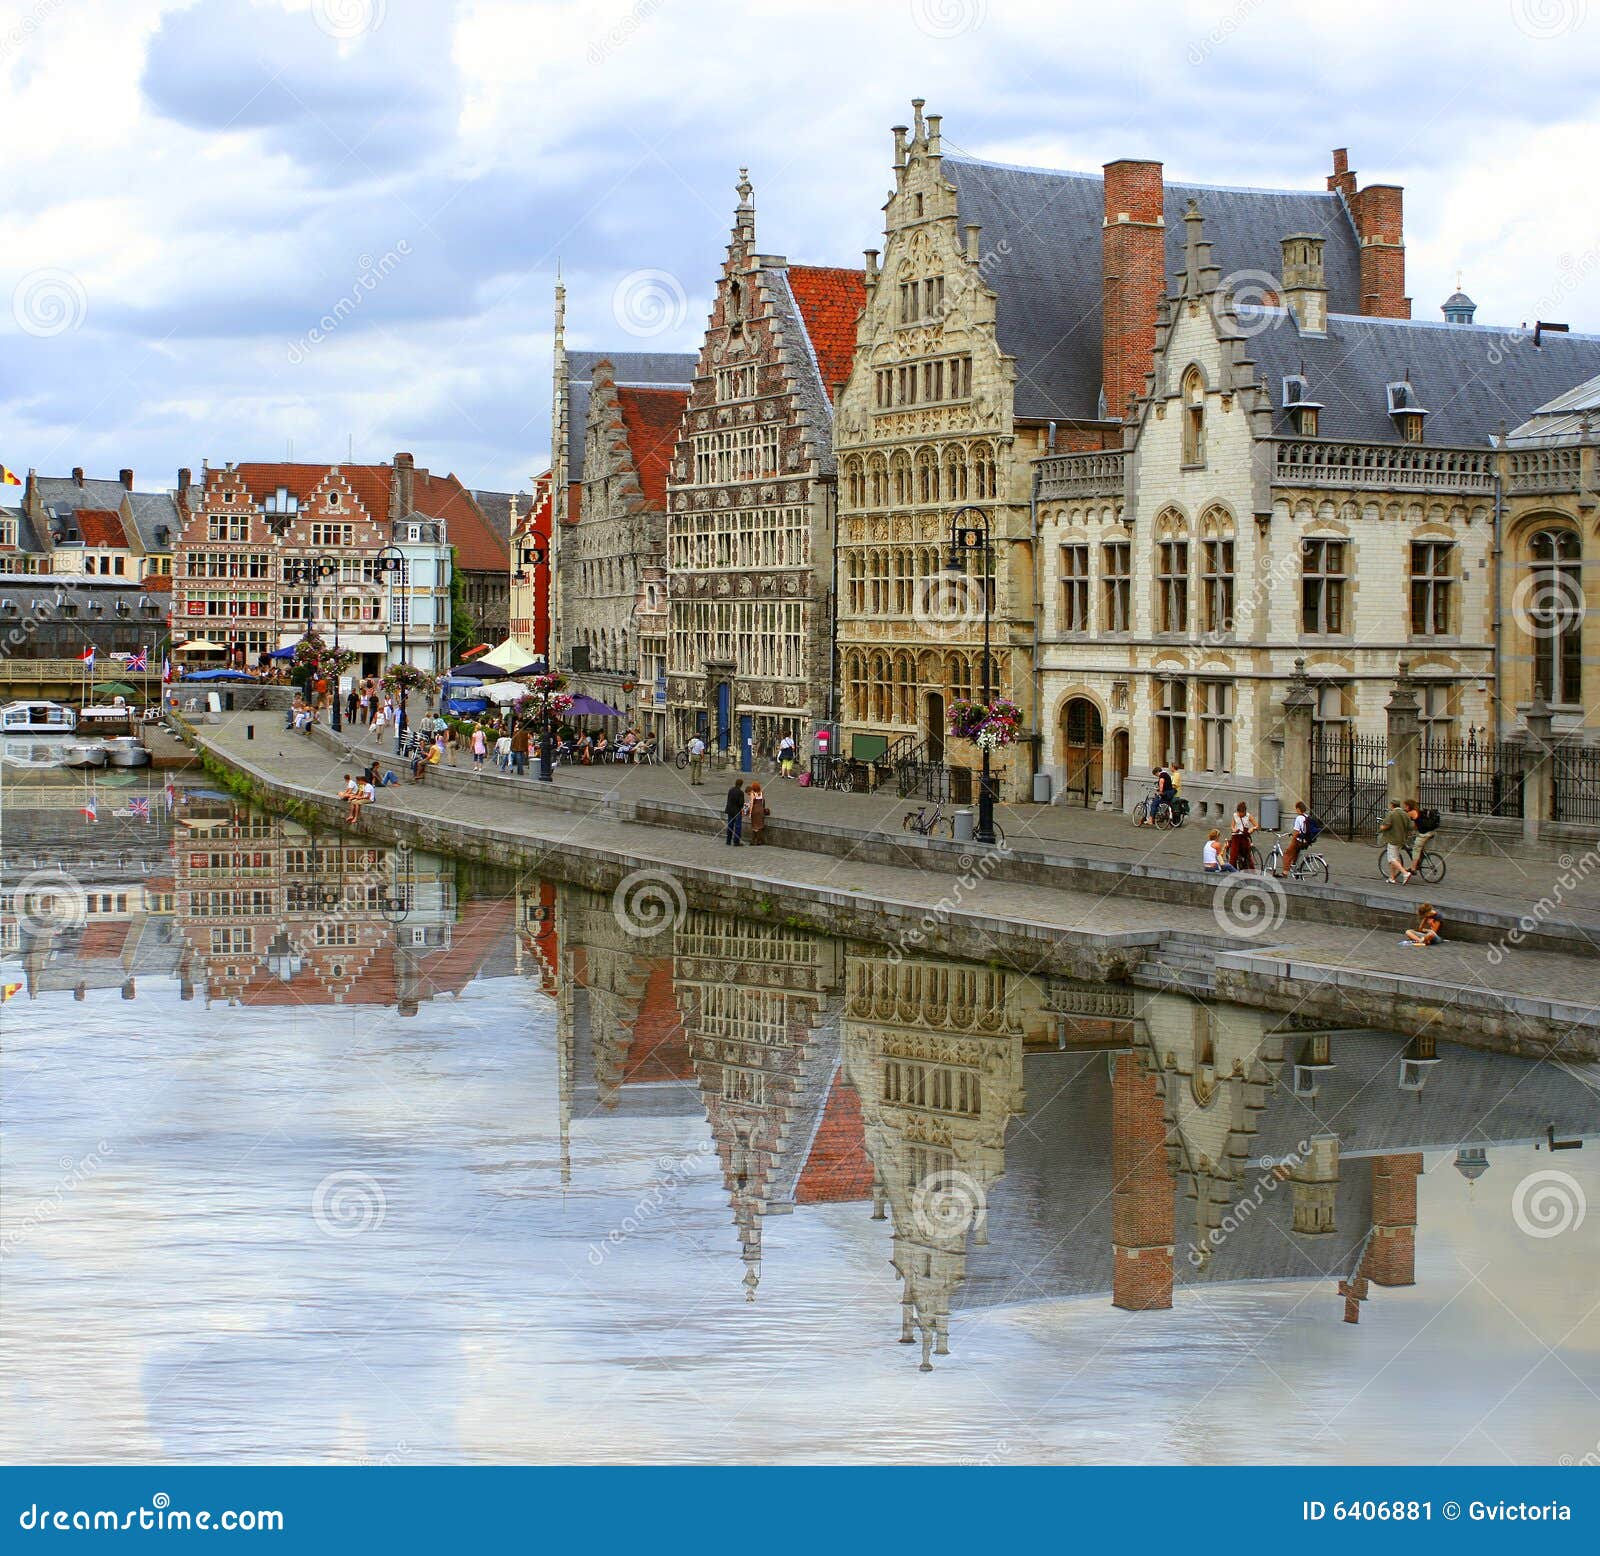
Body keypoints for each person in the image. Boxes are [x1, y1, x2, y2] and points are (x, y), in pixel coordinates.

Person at [1378, 798, 1416, 884]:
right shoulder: (1405, 814)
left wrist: (1381, 828)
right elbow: (1410, 826)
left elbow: (1386, 825)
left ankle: (1405, 873)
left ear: (1392, 805)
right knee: (1396, 858)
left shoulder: (1391, 814)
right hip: (1402, 839)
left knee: (1391, 859)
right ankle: (1392, 877)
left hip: (1393, 839)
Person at [1405, 798, 1438, 875]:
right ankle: (1418, 861)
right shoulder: (1418, 811)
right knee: (1419, 846)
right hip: (1430, 832)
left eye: (1406, 806)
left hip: (1424, 834)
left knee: (1416, 849)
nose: (1405, 808)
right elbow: (1417, 825)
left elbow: (1404, 818)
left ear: (1409, 806)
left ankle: (1413, 868)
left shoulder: (1412, 812)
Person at [1279, 801, 1310, 877]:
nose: (1296, 810)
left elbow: (1296, 832)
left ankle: (1285, 872)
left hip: (1299, 841)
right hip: (1306, 841)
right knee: (1295, 853)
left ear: (1299, 809)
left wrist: (1292, 837)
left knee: (1287, 853)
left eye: (1296, 809)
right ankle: (1295, 869)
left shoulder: (1299, 818)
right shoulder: (1307, 816)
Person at [1227, 800, 1256, 871]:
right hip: (1236, 836)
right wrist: (1234, 830)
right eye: (1239, 813)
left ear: (1244, 812)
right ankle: (1233, 869)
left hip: (1244, 835)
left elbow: (1256, 825)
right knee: (1233, 854)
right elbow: (1232, 826)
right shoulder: (1235, 815)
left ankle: (1248, 868)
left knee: (1247, 852)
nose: (1240, 814)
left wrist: (1252, 829)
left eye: (1241, 813)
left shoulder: (1248, 816)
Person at [745, 780, 769, 845]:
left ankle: (753, 841)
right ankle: (759, 841)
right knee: (760, 826)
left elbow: (752, 803)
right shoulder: (761, 793)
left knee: (754, 826)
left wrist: (750, 813)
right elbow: (763, 801)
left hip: (755, 810)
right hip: (760, 810)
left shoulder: (753, 794)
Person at [724, 778, 746, 845]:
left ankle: (728, 840)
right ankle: (736, 841)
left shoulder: (730, 790)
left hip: (730, 810)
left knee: (730, 825)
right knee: (738, 826)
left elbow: (728, 799)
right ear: (741, 785)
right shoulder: (741, 792)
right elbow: (741, 803)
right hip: (737, 811)